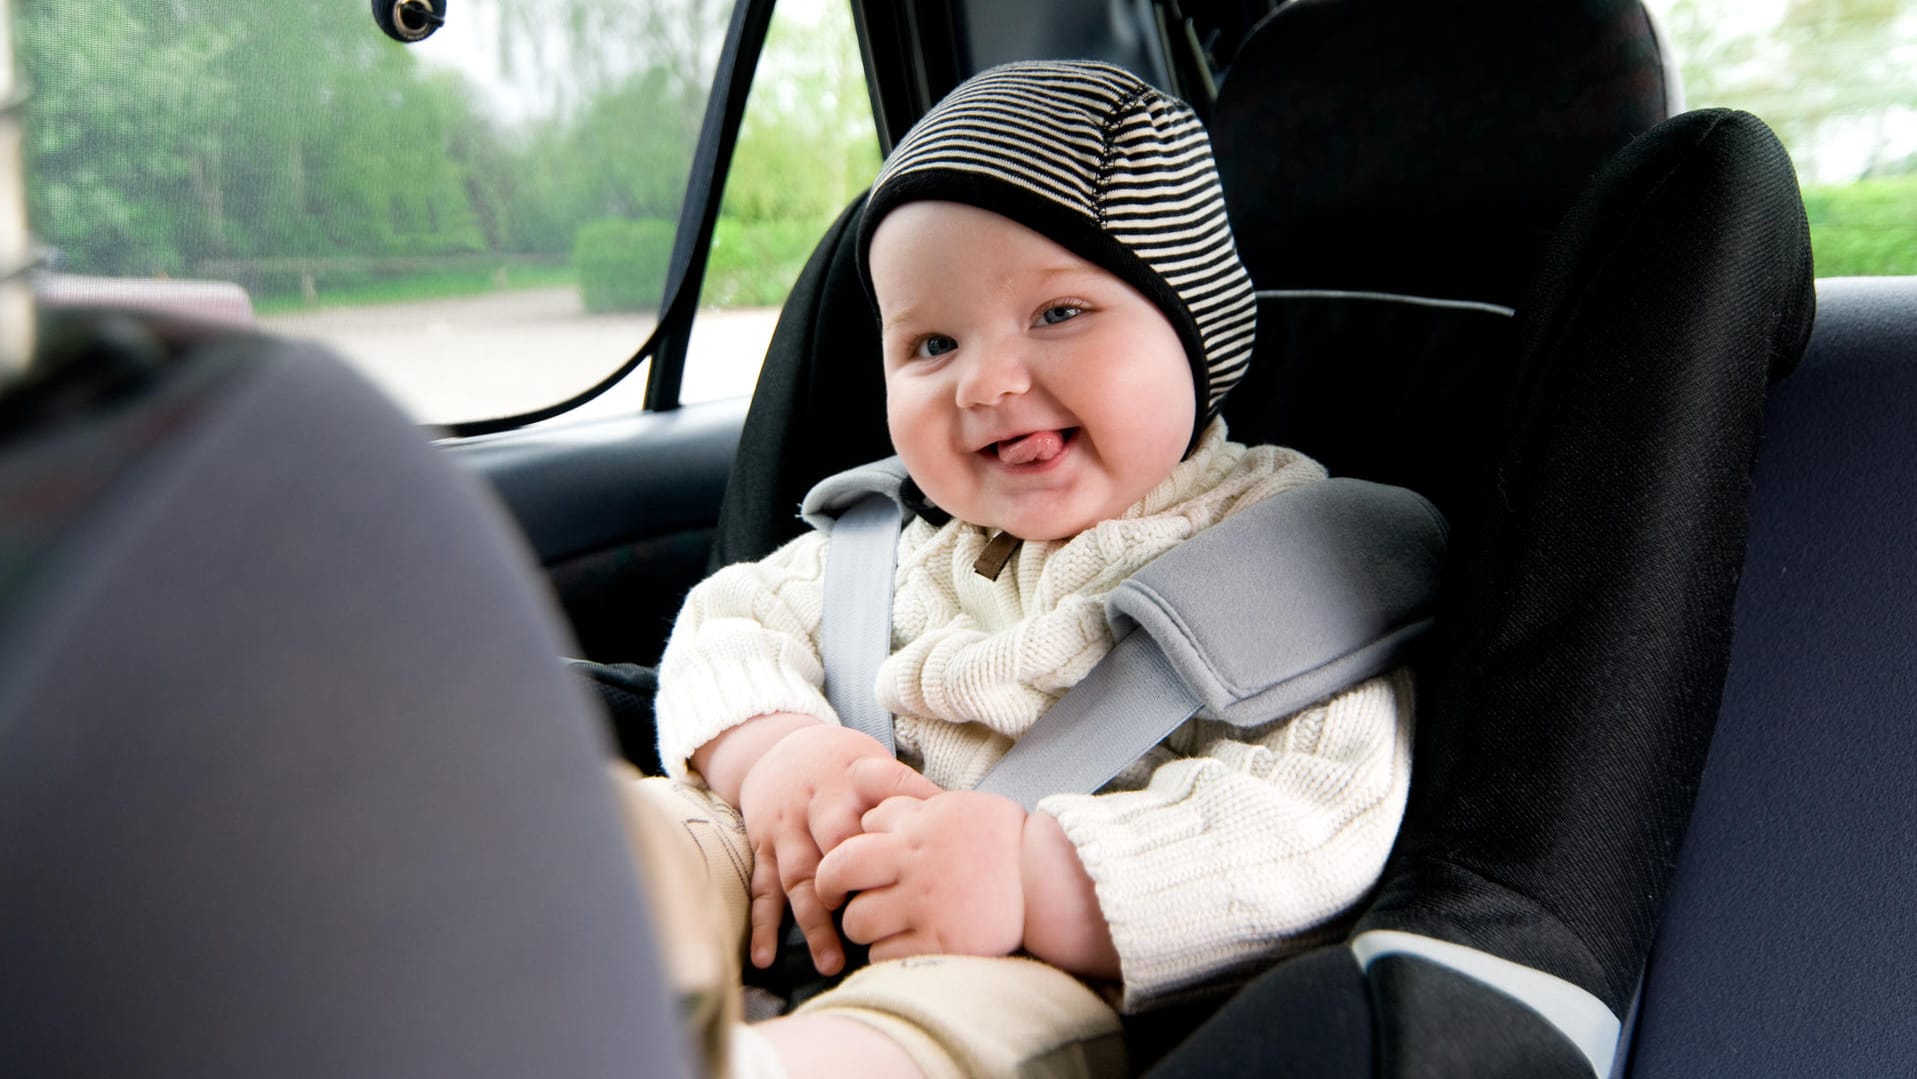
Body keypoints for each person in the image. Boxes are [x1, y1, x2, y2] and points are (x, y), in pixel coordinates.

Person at [622, 59, 1413, 1079]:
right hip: (811, 862)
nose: (988, 382)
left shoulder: (1283, 558)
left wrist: (1035, 880)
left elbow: (1319, 814)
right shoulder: (905, 539)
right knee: (653, 834)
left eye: (1059, 315)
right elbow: (732, 620)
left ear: (1193, 331)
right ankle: (510, 951)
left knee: (932, 1036)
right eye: (933, 342)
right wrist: (776, 755)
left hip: (1039, 957)